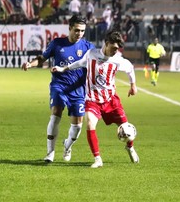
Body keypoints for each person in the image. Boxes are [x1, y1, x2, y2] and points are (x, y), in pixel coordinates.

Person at [51, 31, 139, 168]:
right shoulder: (92, 54)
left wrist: (133, 85)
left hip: (111, 100)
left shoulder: (118, 60)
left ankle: (130, 147)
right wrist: (63, 69)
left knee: (126, 128)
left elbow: (130, 69)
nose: (116, 51)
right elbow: (79, 63)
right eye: (114, 48)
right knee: (90, 124)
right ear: (107, 43)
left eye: (118, 49)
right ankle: (97, 159)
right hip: (92, 100)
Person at [21, 15, 95, 163]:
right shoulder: (57, 43)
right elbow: (42, 58)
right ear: (70, 28)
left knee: (78, 125)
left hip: (78, 90)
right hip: (59, 86)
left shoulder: (88, 47)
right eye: (76, 30)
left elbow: (97, 63)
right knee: (56, 113)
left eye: (82, 31)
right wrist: (30, 64)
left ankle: (68, 145)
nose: (79, 34)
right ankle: (50, 153)